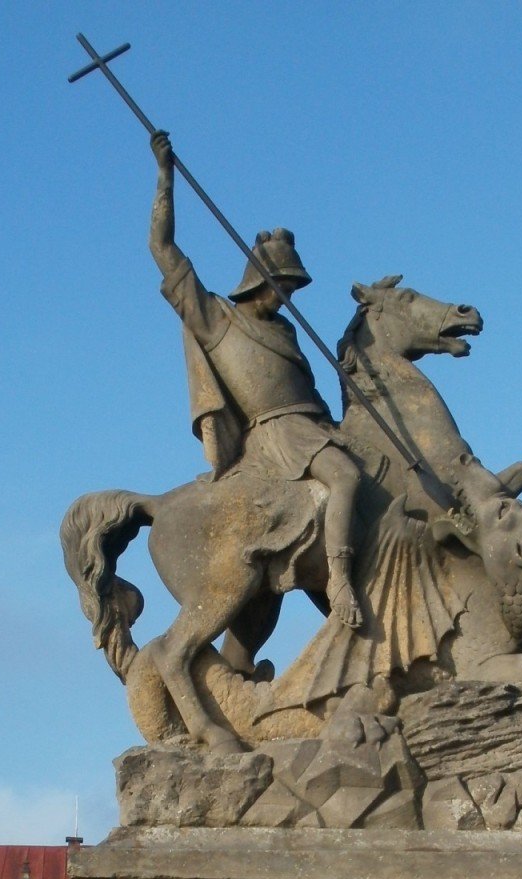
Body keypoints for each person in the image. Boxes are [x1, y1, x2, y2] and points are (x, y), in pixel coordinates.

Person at [148, 130, 362, 630]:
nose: (290, 295)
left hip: (317, 427)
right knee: (346, 479)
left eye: (294, 287)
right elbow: (162, 248)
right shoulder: (217, 318)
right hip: (278, 436)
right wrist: (165, 177)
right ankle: (341, 581)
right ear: (260, 280)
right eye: (284, 286)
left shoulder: (284, 328)